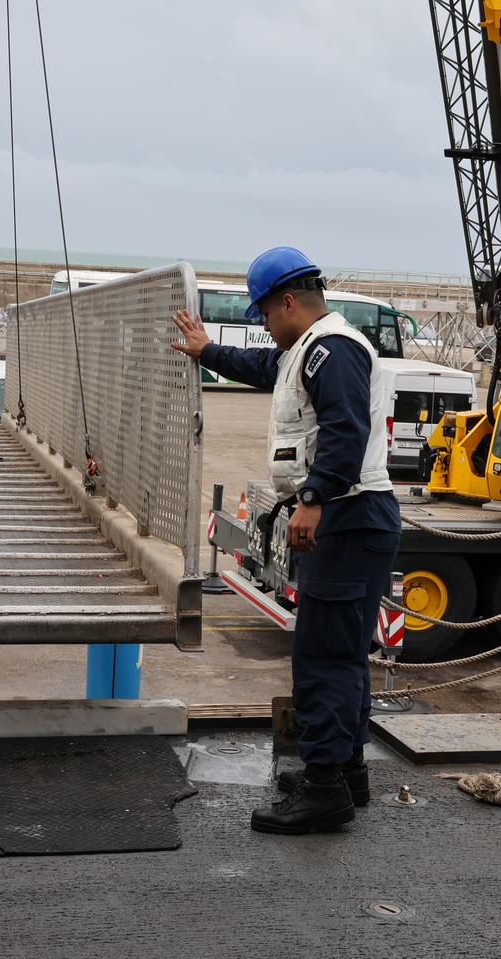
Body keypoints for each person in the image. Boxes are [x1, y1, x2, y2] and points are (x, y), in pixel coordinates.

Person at [171, 246, 401, 835]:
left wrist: (314, 499)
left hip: (346, 515)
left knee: (322, 655)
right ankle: (346, 773)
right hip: (358, 517)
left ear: (288, 302)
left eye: (265, 314)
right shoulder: (310, 351)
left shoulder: (333, 350)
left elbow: (345, 432)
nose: (264, 326)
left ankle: (323, 789)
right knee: (344, 652)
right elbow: (263, 369)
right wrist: (207, 351)